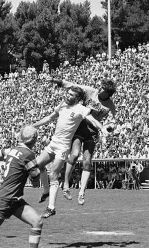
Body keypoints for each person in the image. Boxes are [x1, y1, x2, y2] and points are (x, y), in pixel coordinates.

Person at [32, 86, 107, 218]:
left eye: (71, 95)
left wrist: (103, 129)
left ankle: (51, 208)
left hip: (63, 147)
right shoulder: (62, 105)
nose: (67, 96)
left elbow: (93, 120)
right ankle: (45, 191)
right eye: (67, 93)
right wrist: (33, 126)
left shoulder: (81, 109)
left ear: (77, 98)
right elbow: (50, 118)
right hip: (53, 143)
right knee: (36, 166)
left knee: (53, 174)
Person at [48, 77, 117, 205]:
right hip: (80, 127)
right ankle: (66, 184)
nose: (99, 89)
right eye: (100, 86)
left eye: (102, 88)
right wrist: (60, 82)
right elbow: (74, 86)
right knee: (74, 155)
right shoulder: (91, 91)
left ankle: (81, 192)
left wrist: (109, 127)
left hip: (92, 132)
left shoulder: (110, 105)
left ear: (108, 93)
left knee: (87, 162)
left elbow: (112, 121)